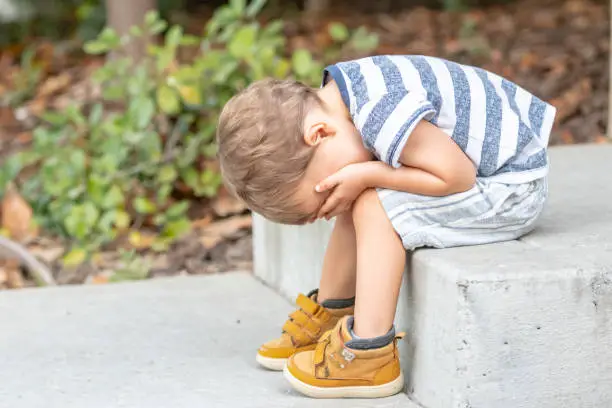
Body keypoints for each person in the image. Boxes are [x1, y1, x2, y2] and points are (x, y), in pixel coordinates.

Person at [216, 55, 555, 399]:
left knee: (371, 201)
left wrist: (368, 173)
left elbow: (457, 176)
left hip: (511, 190)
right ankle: (332, 312)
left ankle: (369, 355)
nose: (329, 206)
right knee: (356, 186)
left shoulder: (380, 113)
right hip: (479, 175)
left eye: (323, 193)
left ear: (319, 133)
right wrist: (359, 176)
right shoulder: (340, 99)